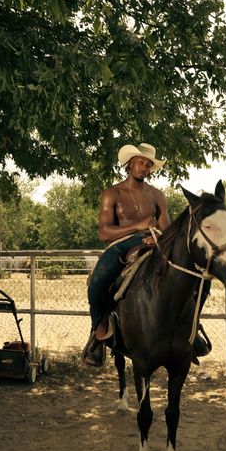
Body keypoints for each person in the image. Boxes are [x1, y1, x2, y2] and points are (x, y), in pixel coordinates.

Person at [82, 142, 171, 366]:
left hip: (155, 242)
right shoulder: (112, 193)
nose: (144, 167)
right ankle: (98, 335)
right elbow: (104, 233)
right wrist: (138, 226)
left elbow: (167, 230)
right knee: (97, 283)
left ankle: (190, 332)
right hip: (120, 244)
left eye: (149, 164)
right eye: (140, 162)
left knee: (184, 273)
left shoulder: (157, 195)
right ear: (129, 164)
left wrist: (158, 238)